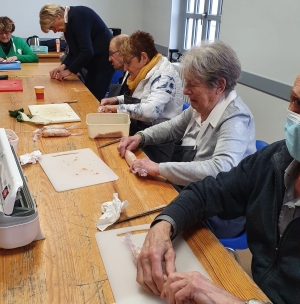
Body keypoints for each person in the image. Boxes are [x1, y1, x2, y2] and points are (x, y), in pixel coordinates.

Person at [135, 74, 300, 304]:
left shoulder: (236, 118)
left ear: (219, 86)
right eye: (294, 100)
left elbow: (217, 167)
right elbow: (208, 192)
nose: (294, 113)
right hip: (254, 289)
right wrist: (163, 227)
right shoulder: (275, 159)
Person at [118, 40, 256, 238]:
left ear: (219, 85)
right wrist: (141, 137)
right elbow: (173, 127)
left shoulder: (236, 118)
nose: (185, 90)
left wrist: (158, 168)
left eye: (193, 84)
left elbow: (221, 168)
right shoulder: (201, 106)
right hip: (190, 192)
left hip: (221, 212)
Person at [99, 30, 183, 139]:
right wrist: (117, 99)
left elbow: (151, 111)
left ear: (143, 57)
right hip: (147, 133)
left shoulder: (164, 76)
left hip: (160, 142)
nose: (125, 69)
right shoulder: (147, 69)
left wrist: (116, 108)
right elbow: (143, 98)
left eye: (128, 63)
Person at [39, 4, 114, 100]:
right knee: (87, 96)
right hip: (94, 64)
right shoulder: (68, 24)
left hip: (103, 63)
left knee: (93, 99)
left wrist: (69, 71)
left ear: (57, 17)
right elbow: (74, 52)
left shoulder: (78, 17)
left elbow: (87, 52)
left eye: (52, 27)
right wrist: (62, 66)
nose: (54, 31)